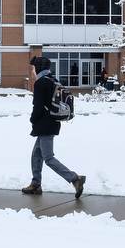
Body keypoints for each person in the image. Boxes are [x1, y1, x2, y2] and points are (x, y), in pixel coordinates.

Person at [22, 56, 85, 199]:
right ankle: (36, 183)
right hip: (52, 122)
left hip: (45, 125)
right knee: (36, 154)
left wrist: (33, 119)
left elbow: (37, 106)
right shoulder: (53, 81)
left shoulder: (40, 83)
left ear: (38, 68)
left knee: (48, 158)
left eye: (33, 68)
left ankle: (75, 178)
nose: (32, 70)